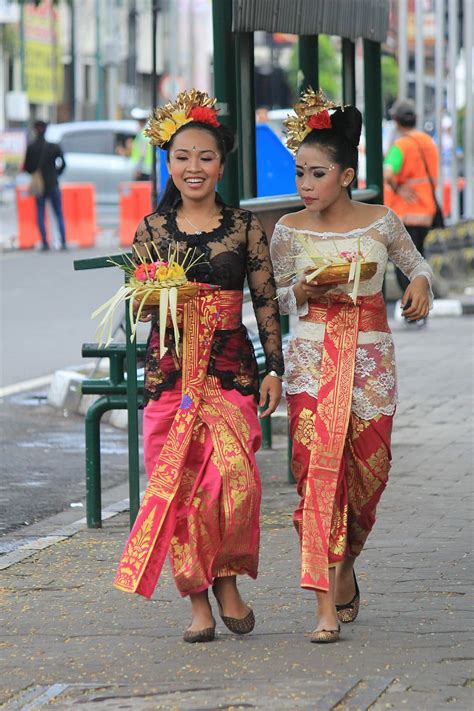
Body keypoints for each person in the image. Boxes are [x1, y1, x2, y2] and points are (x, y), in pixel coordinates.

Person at [114, 90, 284, 643]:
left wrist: (273, 369)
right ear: (168, 163)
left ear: (221, 163)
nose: (194, 167)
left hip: (229, 372)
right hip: (171, 378)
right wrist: (155, 294)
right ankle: (199, 603)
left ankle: (228, 579)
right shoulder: (152, 230)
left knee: (233, 483)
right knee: (180, 490)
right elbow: (136, 305)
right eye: (182, 156)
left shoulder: (243, 227)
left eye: (205, 157)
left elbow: (265, 303)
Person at [270, 89, 432, 644]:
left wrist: (418, 285)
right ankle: (323, 599)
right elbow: (273, 301)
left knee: (369, 474)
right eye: (299, 174)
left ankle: (346, 559)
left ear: (346, 174)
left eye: (316, 174)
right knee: (317, 471)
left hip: (369, 358)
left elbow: (417, 266)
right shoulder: (289, 230)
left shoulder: (382, 222)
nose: (305, 185)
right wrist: (303, 288)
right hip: (313, 360)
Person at [383, 99, 439, 294]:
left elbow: (388, 173)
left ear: (396, 121)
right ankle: (420, 305)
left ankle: (413, 305)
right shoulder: (429, 142)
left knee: (404, 264)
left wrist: (398, 188)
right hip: (426, 212)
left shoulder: (401, 146)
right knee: (418, 260)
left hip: (406, 213)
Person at [23, 120, 67, 251]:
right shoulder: (53, 146)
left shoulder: (31, 148)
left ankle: (44, 242)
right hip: (53, 183)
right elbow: (63, 163)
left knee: (41, 213)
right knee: (58, 212)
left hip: (39, 185)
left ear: (35, 130)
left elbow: (27, 167)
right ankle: (63, 241)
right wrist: (56, 173)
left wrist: (35, 174)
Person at [130, 107, 154, 181]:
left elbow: (142, 153)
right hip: (148, 170)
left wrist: (138, 169)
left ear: (140, 122)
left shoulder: (143, 134)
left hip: (143, 171)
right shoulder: (146, 133)